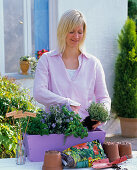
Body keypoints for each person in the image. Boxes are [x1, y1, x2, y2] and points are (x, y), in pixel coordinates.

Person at [33, 9, 111, 129]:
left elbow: (103, 98)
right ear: (63, 31)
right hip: (54, 129)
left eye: (80, 32)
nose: (76, 36)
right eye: (71, 31)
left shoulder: (93, 63)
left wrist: (101, 115)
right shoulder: (47, 60)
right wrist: (66, 102)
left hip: (85, 129)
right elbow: (39, 93)